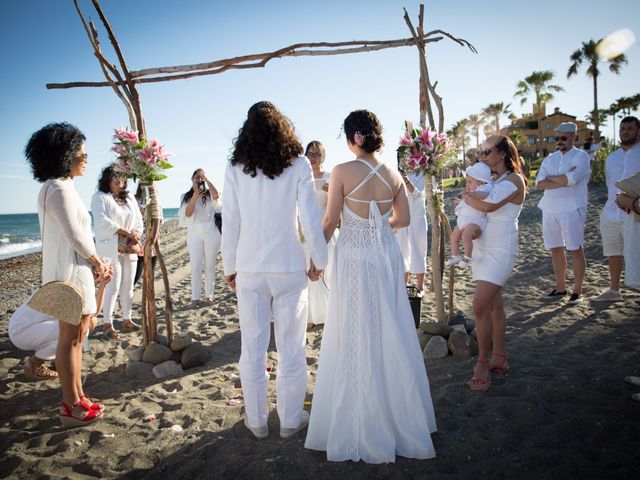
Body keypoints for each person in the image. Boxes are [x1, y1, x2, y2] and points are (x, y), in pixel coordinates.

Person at [305, 110, 437, 463]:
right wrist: (378, 226)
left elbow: (331, 221)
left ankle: (359, 421)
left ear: (353, 138)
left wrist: (316, 259)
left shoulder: (343, 171)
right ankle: (401, 415)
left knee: (354, 331)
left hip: (354, 257)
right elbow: (404, 219)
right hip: (387, 259)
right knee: (390, 328)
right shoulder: (394, 174)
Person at [222, 101, 327, 440]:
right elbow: (309, 218)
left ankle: (256, 422)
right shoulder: (297, 165)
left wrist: (230, 265)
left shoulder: (235, 167)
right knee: (292, 348)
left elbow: (231, 223)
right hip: (288, 266)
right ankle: (291, 421)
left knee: (251, 348)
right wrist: (318, 258)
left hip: (250, 268)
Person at [21, 122, 110, 426]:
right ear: (64, 155)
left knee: (77, 338)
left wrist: (94, 263)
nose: (86, 158)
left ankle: (79, 395)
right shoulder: (55, 188)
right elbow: (74, 234)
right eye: (81, 153)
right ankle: (69, 404)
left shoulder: (65, 187)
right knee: (67, 339)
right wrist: (98, 260)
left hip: (78, 271)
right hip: (69, 274)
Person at [463, 135, 527, 391]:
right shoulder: (494, 180)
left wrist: (468, 198)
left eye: (487, 152)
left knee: (479, 305)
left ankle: (482, 361)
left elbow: (488, 205)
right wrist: (471, 198)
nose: (482, 156)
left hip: (501, 248)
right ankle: (499, 357)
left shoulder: (513, 180)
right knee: (493, 306)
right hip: (482, 247)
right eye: (480, 152)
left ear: (502, 153)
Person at [536, 122, 591, 304]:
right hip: (549, 207)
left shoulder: (581, 157)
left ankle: (577, 290)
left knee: (575, 248)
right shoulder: (549, 159)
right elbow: (539, 183)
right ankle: (560, 288)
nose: (559, 141)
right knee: (555, 248)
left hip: (572, 207)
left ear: (573, 137)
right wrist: (561, 180)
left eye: (563, 138)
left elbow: (572, 179)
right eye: (556, 138)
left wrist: (556, 179)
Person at [91, 165, 144, 339]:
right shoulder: (100, 197)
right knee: (113, 286)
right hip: (110, 246)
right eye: (114, 176)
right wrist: (125, 231)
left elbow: (138, 220)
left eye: (121, 177)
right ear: (107, 178)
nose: (118, 180)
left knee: (128, 286)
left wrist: (135, 234)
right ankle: (108, 323)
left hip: (130, 246)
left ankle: (127, 319)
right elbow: (101, 221)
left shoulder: (129, 197)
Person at [592, 116, 640, 302]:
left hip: (634, 213)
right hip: (610, 212)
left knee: (635, 251)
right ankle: (614, 290)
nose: (625, 132)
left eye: (629, 128)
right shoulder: (612, 157)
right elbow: (609, 184)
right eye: (622, 129)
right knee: (613, 252)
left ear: (638, 131)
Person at [303, 140, 336, 329]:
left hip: (325, 228)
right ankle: (307, 317)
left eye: (317, 154)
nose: (314, 158)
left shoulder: (330, 177)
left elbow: (341, 204)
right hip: (304, 229)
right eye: (310, 154)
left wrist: (332, 192)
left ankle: (326, 314)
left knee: (326, 271)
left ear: (323, 156)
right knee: (306, 273)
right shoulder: (302, 177)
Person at [178, 169, 221, 307]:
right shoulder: (185, 196)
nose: (199, 179)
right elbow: (188, 214)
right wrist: (195, 197)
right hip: (194, 234)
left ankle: (209, 296)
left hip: (211, 233)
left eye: (202, 177)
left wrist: (206, 179)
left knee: (210, 266)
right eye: (197, 177)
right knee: (196, 267)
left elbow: (217, 195)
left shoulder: (209, 194)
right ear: (192, 179)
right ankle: (195, 298)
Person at [445, 162, 493, 269]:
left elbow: (484, 195)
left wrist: (472, 194)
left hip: (475, 221)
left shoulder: (484, 189)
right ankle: (455, 255)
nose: (467, 185)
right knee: (454, 236)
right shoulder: (472, 190)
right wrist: (460, 201)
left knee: (465, 235)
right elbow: (467, 203)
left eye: (470, 182)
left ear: (480, 183)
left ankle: (467, 257)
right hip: (465, 219)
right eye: (467, 182)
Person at [395, 158, 429, 291]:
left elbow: (417, 194)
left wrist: (405, 179)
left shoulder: (423, 174)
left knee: (419, 251)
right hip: (402, 216)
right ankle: (404, 286)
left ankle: (420, 286)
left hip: (417, 217)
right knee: (402, 251)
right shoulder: (397, 174)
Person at [133, 183, 161, 286]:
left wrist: (153, 240)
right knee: (136, 272)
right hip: (138, 240)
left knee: (150, 273)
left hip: (152, 239)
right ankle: (125, 299)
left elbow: (159, 220)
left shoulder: (156, 201)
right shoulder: (133, 200)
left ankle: (149, 300)